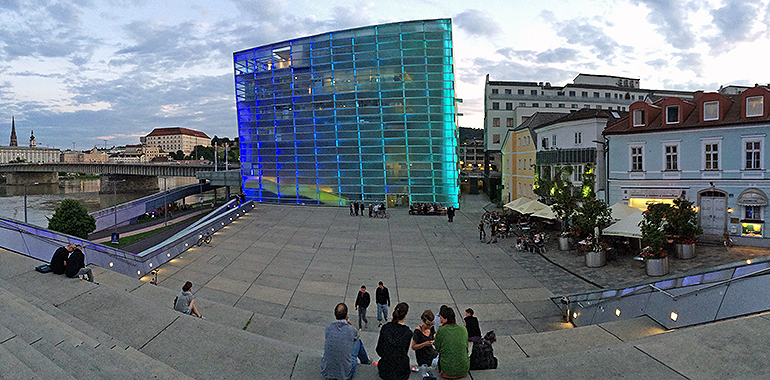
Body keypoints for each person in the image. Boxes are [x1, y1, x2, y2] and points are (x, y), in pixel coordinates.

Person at [322, 303, 372, 380]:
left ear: (335, 315)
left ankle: (366, 360)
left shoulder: (328, 327)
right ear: (346, 315)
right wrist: (348, 321)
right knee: (358, 342)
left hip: (326, 372)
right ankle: (366, 361)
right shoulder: (350, 330)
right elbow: (357, 333)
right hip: (345, 375)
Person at [375, 302, 411, 380]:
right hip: (401, 372)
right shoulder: (407, 332)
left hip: (385, 369)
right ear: (405, 315)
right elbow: (404, 352)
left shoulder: (385, 328)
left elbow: (379, 350)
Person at [434, 307, 469, 379]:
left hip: (447, 372)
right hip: (464, 370)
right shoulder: (463, 329)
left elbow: (437, 348)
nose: (440, 320)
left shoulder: (442, 330)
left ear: (446, 319)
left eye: (441, 318)